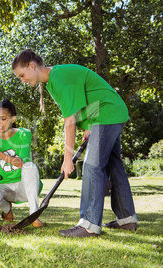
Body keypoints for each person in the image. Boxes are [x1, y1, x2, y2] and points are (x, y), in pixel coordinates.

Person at [12, 49, 138, 237]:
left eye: (22, 75)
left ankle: (89, 224)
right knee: (113, 165)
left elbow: (69, 122)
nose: (22, 80)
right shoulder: (53, 81)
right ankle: (127, 219)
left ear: (32, 66)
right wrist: (89, 124)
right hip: (108, 111)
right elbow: (88, 97)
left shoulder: (59, 77)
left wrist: (67, 158)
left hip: (107, 113)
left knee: (92, 166)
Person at [0, 100, 45, 227]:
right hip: (4, 188)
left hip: (24, 187)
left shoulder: (24, 134)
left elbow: (23, 164)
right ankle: (7, 210)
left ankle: (34, 216)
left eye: (3, 119)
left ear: (13, 119)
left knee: (30, 167)